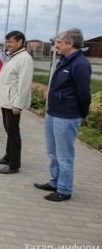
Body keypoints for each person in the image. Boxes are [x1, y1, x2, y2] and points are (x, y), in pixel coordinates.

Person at [34, 28, 92, 202]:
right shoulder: (64, 60)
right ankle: (55, 181)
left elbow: (83, 94)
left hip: (66, 116)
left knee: (64, 155)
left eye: (59, 42)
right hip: (54, 113)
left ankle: (64, 189)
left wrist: (82, 113)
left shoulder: (80, 64)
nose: (56, 45)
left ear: (70, 43)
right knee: (53, 152)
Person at [0, 31, 33, 174]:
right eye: (7, 42)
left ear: (21, 42)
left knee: (13, 132)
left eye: (11, 42)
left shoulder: (24, 58)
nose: (8, 44)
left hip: (12, 102)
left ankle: (14, 164)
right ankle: (8, 156)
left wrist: (18, 104)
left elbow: (24, 83)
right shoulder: (13, 56)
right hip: (6, 100)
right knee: (9, 131)